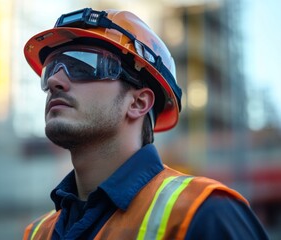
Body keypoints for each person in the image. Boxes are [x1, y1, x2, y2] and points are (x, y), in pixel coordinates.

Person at [22, 8, 268, 240]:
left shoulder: (204, 214)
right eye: (51, 68)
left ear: (139, 103)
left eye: (84, 65)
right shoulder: (38, 233)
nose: (55, 80)